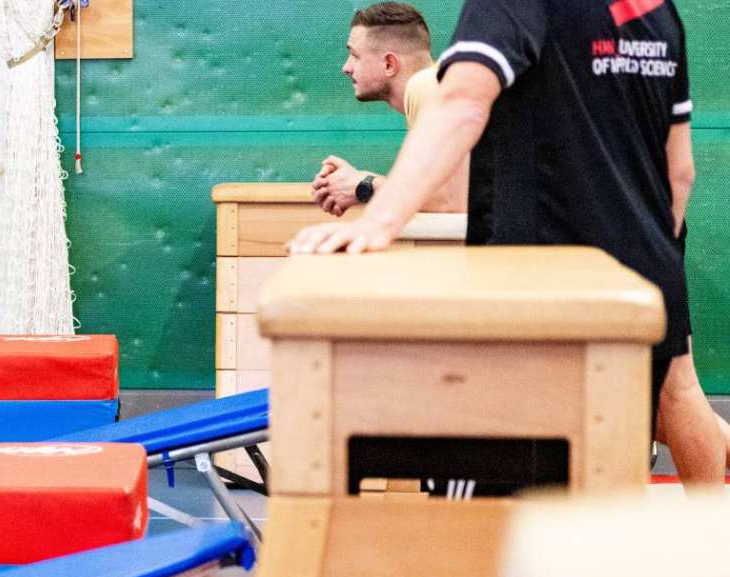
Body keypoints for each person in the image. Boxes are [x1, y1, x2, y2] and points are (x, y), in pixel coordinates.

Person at [287, 0, 721, 492]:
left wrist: (378, 217)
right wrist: (646, 251)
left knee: (504, 498)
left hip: (544, 288)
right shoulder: (659, 13)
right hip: (646, 269)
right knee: (627, 452)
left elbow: (464, 104)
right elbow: (679, 171)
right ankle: (708, 548)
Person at [312, 2, 468, 217]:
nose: (346, 68)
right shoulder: (438, 86)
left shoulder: (426, 85)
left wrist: (363, 184)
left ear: (389, 65)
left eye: (355, 55)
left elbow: (449, 202)